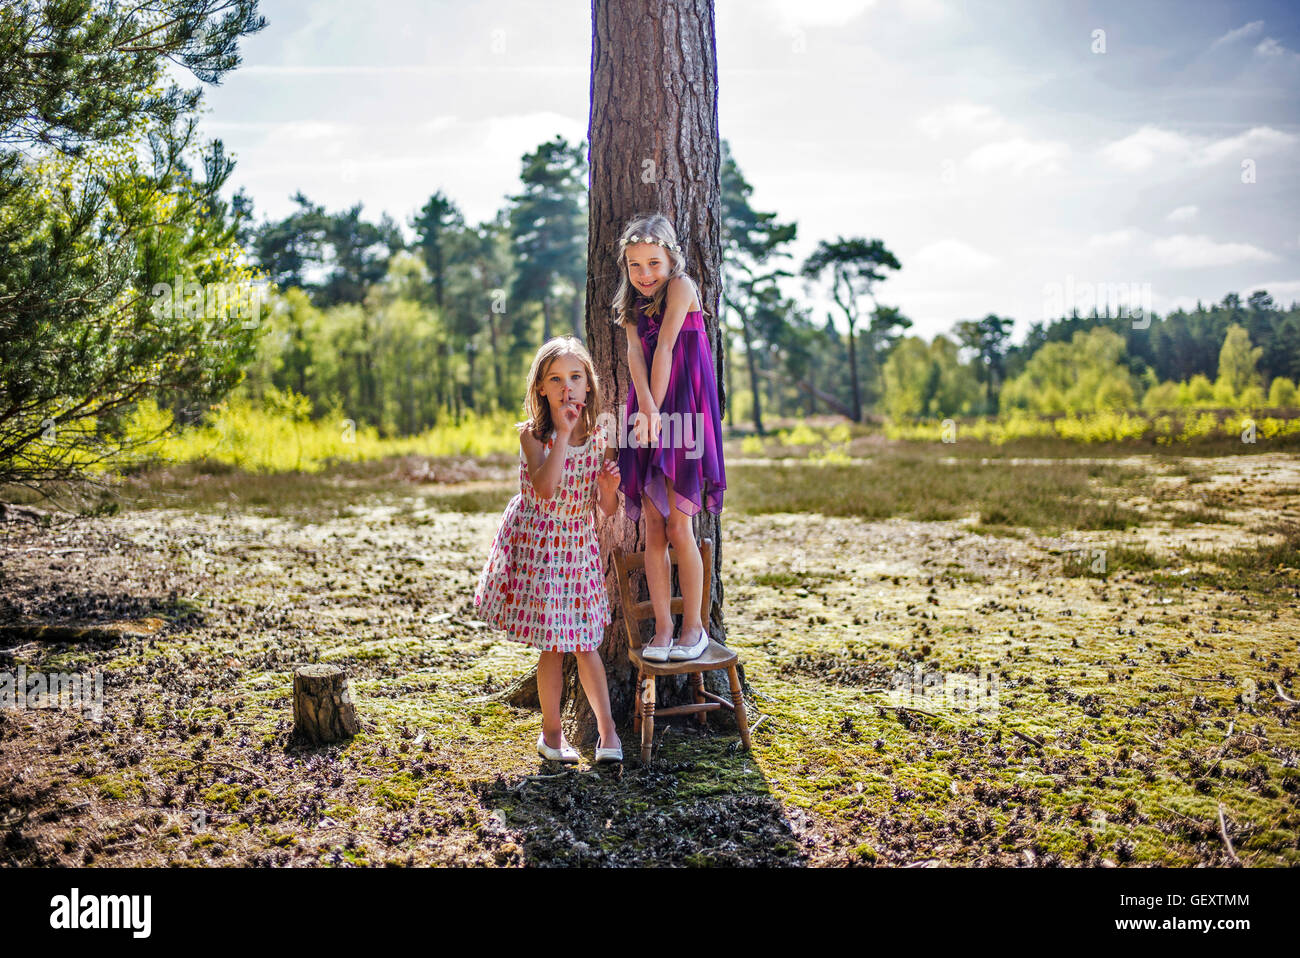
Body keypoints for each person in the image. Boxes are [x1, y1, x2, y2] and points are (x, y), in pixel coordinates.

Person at [473, 338, 624, 764]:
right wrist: (560, 432)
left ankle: (608, 733)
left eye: (575, 378)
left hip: (577, 545)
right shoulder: (532, 435)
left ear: (589, 386)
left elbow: (606, 508)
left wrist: (610, 490)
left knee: (587, 642)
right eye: (555, 379)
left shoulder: (600, 437)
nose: (566, 388)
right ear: (541, 387)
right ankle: (552, 735)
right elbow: (545, 487)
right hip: (541, 547)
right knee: (554, 646)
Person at [612, 212, 726, 662]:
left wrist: (656, 411)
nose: (645, 274)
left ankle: (693, 628)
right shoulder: (628, 304)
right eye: (636, 265)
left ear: (670, 258)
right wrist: (644, 411)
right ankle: (662, 630)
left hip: (684, 408)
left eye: (653, 263)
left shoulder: (681, 288)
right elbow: (637, 360)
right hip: (647, 407)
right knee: (654, 527)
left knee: (681, 523)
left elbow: (664, 348)